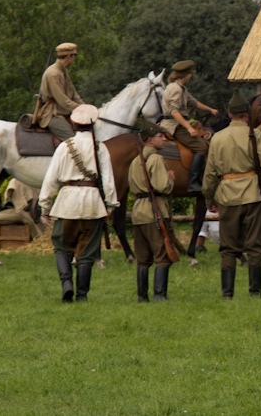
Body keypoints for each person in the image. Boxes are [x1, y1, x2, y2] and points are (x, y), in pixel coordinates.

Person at [38, 104, 118, 302]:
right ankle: (82, 296)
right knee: (87, 252)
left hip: (67, 202)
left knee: (61, 247)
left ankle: (66, 284)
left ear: (73, 123)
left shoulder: (65, 147)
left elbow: (51, 178)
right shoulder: (100, 148)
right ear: (93, 124)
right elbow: (108, 180)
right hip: (93, 203)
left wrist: (45, 205)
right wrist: (109, 206)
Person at [202, 90, 261, 299]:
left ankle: (227, 293)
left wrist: (210, 200)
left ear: (230, 114)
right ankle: (255, 292)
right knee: (256, 245)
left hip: (227, 196)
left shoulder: (218, 138)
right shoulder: (256, 134)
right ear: (246, 114)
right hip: (253, 194)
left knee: (228, 247)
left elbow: (209, 175)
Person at [130, 117, 177, 303]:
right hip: (154, 210)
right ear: (150, 140)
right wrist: (170, 179)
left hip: (138, 212)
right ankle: (159, 295)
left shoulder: (135, 160)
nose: (164, 139)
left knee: (142, 259)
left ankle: (142, 296)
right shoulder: (156, 158)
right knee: (162, 255)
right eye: (160, 136)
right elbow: (162, 187)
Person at [160, 60, 218, 193]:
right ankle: (193, 182)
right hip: (174, 125)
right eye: (190, 72)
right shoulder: (176, 89)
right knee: (202, 147)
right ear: (187, 74)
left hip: (179, 123)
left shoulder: (181, 88)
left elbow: (194, 103)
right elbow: (174, 112)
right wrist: (189, 127)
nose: (191, 75)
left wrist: (210, 110)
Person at [36, 42, 85, 140]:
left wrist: (85, 107)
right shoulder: (53, 74)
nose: (74, 59)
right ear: (69, 56)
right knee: (75, 140)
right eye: (74, 56)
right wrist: (80, 109)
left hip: (65, 112)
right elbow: (62, 100)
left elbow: (74, 94)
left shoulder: (63, 71)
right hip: (53, 115)